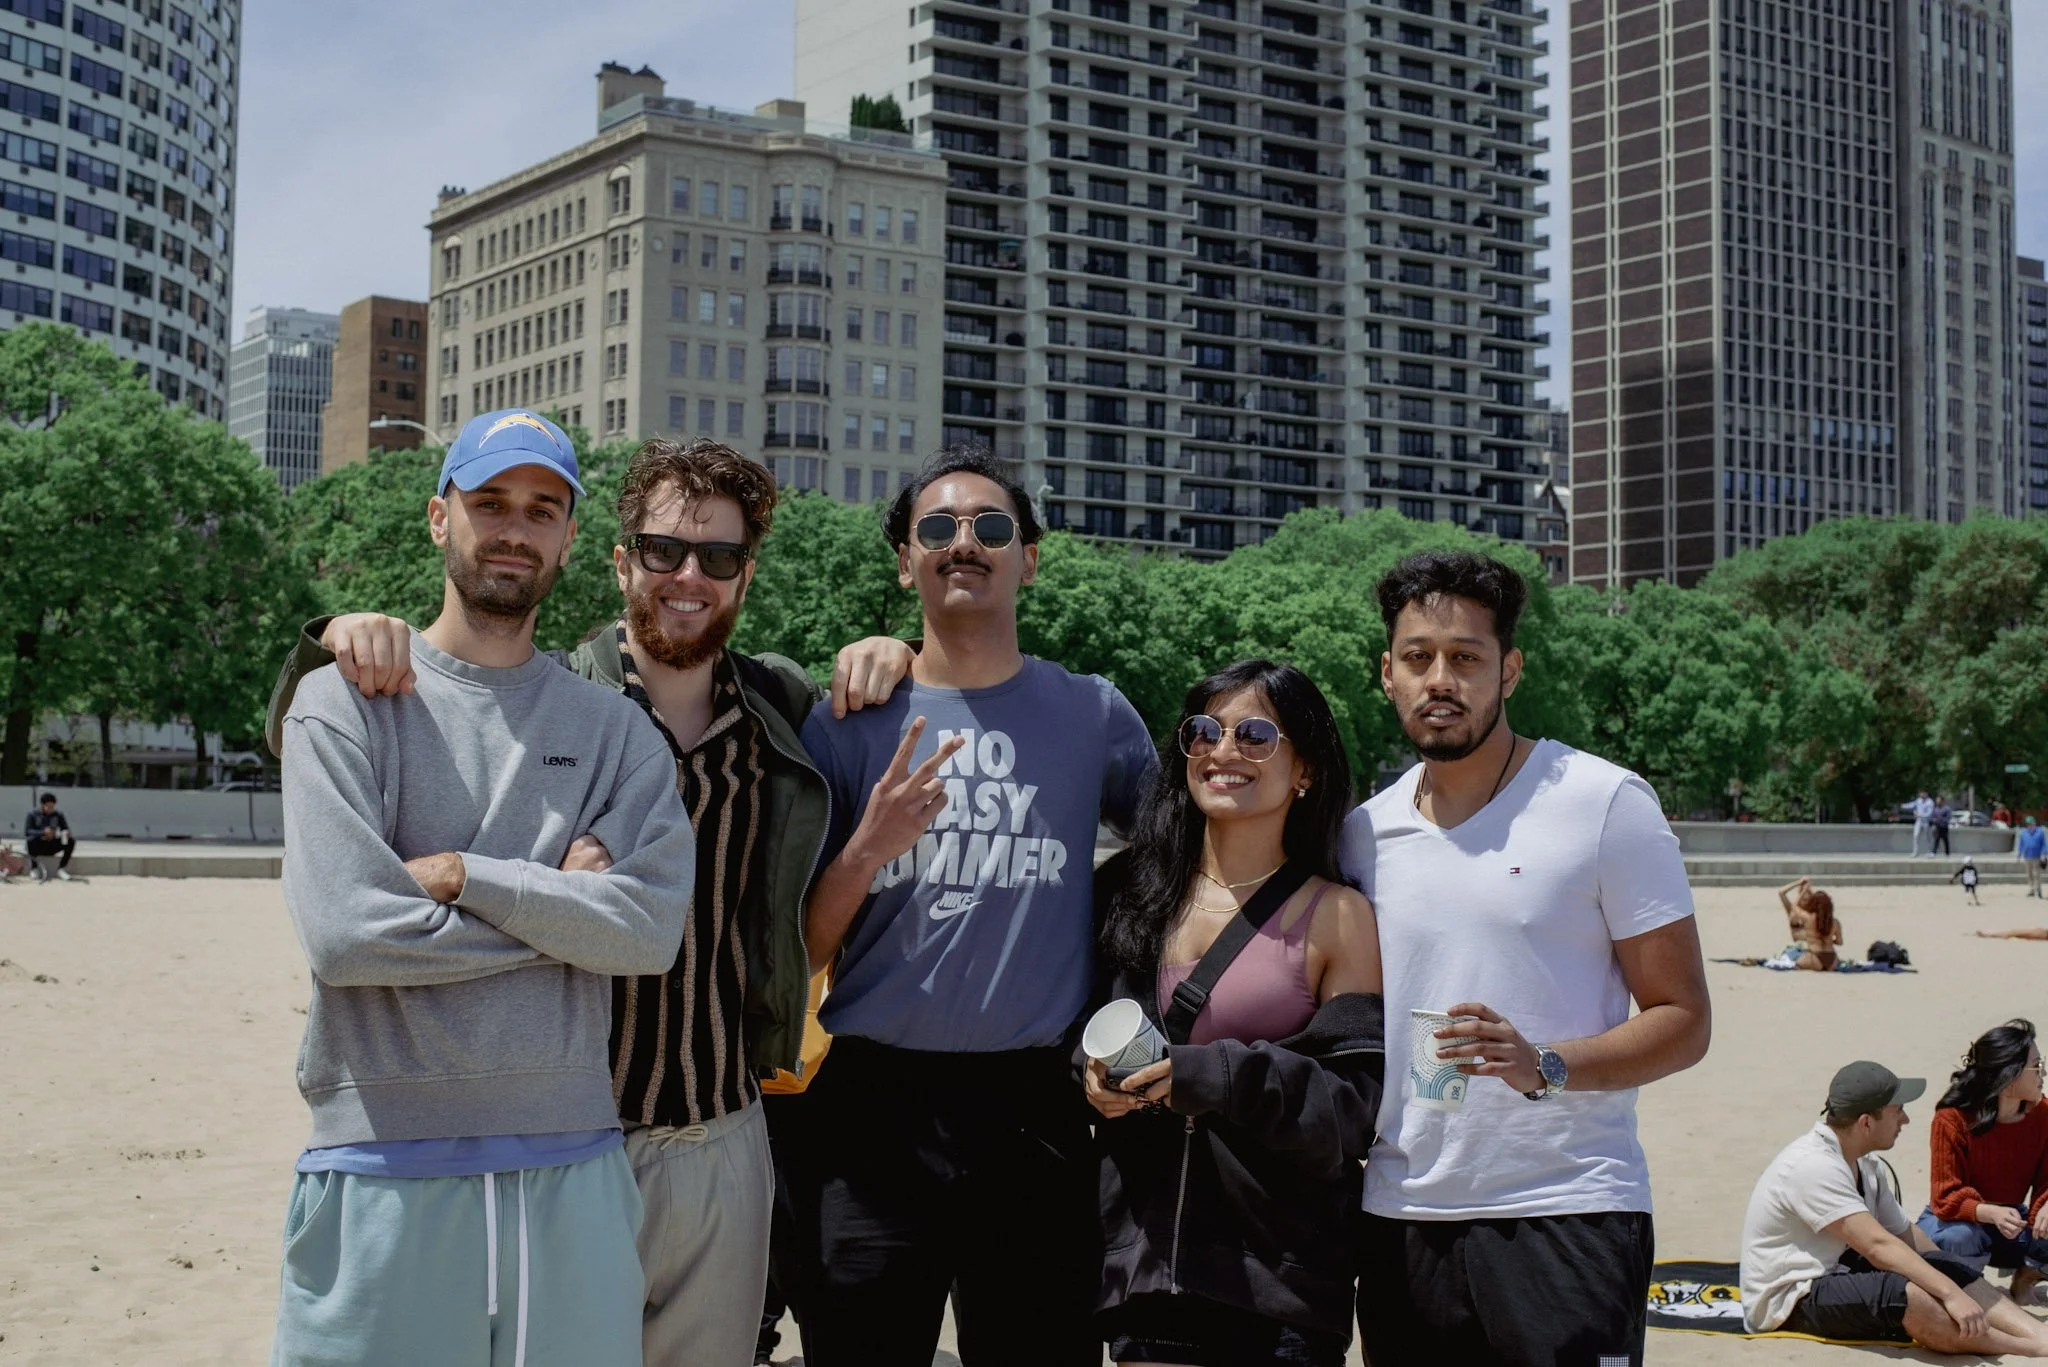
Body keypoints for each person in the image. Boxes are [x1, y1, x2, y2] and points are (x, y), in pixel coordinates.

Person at [262, 437, 916, 1365]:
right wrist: (329, 634)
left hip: (723, 1122)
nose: (689, 575)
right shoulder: (563, 694)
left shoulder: (781, 709)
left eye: (719, 558)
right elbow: (394, 727)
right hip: (576, 1127)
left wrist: (892, 649)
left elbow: (728, 932)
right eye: (663, 550)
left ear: (746, 576)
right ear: (615, 560)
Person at [270, 408, 698, 1365]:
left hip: (576, 1168)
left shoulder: (618, 732)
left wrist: (470, 877)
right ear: (438, 516)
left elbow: (647, 934)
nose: (515, 527)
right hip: (379, 1162)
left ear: (572, 538)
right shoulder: (340, 704)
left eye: (542, 509)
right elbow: (346, 933)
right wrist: (558, 904)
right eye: (490, 501)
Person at [798, 446, 1158, 1366]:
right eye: (939, 528)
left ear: (1029, 559)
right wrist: (868, 848)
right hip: (875, 1103)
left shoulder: (1095, 714)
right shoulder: (846, 717)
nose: (966, 543)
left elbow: (1179, 872)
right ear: (904, 559)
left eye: (991, 527)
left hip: (1033, 1105)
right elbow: (798, 945)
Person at [1340, 550, 1711, 1367]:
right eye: (1418, 657)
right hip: (1402, 1217)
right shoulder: (1362, 834)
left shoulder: (1604, 802)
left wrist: (1544, 1062)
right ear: (1387, 674)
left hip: (1568, 1209)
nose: (1441, 677)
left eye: (1466, 657)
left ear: (1509, 670)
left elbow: (1683, 1020)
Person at [1084, 661, 1385, 1366]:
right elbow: (1075, 1028)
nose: (1223, 751)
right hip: (1143, 1270)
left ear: (1303, 768)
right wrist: (1092, 1077)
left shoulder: (1337, 915)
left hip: (1277, 1278)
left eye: (1255, 734)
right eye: (1203, 731)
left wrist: (1213, 1074)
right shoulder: (1128, 892)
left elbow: (1352, 1106)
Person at [1739, 1060, 2048, 1354]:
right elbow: (1878, 1246)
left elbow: (1904, 1236)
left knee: (1945, 1267)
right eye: (1897, 1111)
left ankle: (2039, 1335)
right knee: (1905, 1294)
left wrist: (1952, 1272)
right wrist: (1950, 1294)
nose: (1906, 1119)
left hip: (1837, 1271)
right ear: (1866, 1122)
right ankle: (2026, 1348)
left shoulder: (1866, 1164)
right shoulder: (1813, 1166)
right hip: (1790, 1298)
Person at [1915, 1021, 2048, 1304]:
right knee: (1958, 1237)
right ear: (2009, 1077)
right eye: (2036, 1066)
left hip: (2011, 1220)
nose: (2043, 1074)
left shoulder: (2042, 1114)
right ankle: (1971, 1292)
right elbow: (1944, 1197)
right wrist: (1988, 1213)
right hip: (1954, 1220)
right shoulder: (1952, 1119)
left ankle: (2026, 1276)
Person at [1777, 877, 1841, 971]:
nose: (1805, 900)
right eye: (1802, 898)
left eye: (1808, 898)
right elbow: (1781, 892)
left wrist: (1806, 890)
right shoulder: (1794, 913)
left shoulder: (1810, 917)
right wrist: (1799, 883)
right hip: (1807, 948)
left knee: (1790, 957)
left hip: (1812, 952)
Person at [23, 793, 74, 882]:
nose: (51, 809)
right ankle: (34, 868)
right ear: (42, 805)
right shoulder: (33, 814)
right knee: (30, 840)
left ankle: (61, 869)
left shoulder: (58, 815)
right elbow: (28, 831)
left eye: (52, 806)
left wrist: (65, 833)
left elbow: (65, 828)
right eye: (48, 806)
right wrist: (42, 832)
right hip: (39, 844)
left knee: (71, 841)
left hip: (52, 843)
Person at [2020, 816, 2046, 901]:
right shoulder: (2023, 832)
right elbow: (2021, 844)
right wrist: (2019, 855)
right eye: (2028, 824)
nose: (2029, 825)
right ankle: (2031, 889)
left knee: (2037, 874)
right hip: (2027, 856)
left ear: (2034, 823)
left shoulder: (2040, 832)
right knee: (2029, 874)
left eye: (2031, 823)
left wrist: (2043, 854)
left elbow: (2044, 844)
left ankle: (2038, 891)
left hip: (2037, 856)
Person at [1914, 791, 1937, 859]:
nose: (1921, 795)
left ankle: (1928, 852)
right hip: (1918, 821)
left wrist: (1919, 815)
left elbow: (1929, 814)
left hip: (1926, 822)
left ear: (1926, 794)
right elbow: (1914, 806)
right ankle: (1916, 852)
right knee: (1916, 836)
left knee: (1927, 837)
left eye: (1923, 793)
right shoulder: (1918, 800)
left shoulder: (1930, 802)